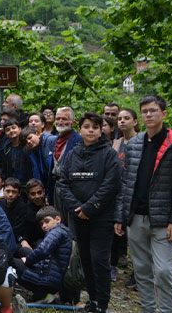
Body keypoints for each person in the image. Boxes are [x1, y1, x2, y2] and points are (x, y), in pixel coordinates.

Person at [115, 95, 172, 313]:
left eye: (153, 110)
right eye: (145, 111)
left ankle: (168, 309)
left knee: (163, 270)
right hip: (136, 218)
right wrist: (120, 217)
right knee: (141, 268)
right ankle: (148, 308)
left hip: (163, 220)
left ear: (164, 114)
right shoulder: (135, 144)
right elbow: (125, 183)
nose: (148, 115)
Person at [58, 112, 121, 313]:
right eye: (87, 126)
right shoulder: (72, 153)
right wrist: (76, 207)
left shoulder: (109, 153)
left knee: (99, 260)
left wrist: (89, 207)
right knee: (85, 259)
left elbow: (111, 185)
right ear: (80, 129)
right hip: (78, 216)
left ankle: (102, 304)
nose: (91, 130)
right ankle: (93, 301)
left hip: (101, 216)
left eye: (95, 126)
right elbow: (63, 183)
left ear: (101, 129)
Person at [16, 206, 73, 303]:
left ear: (58, 219)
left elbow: (43, 250)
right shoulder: (62, 231)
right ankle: (42, 294)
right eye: (42, 224)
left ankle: (41, 293)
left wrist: (28, 261)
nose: (44, 226)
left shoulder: (57, 231)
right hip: (52, 276)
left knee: (13, 262)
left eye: (47, 221)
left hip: (48, 281)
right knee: (24, 250)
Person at [111, 108, 139, 282]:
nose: (122, 121)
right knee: (116, 230)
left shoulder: (141, 141)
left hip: (134, 192)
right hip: (117, 191)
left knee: (136, 235)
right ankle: (112, 265)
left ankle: (138, 273)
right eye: (120, 118)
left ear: (135, 121)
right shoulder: (116, 142)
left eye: (126, 118)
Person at [45, 106, 81, 208]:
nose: (60, 121)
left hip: (72, 189)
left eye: (64, 119)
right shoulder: (54, 140)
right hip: (56, 186)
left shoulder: (79, 140)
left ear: (73, 123)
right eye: (58, 119)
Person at [0, 177, 27, 246]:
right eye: (8, 191)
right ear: (3, 191)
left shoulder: (22, 206)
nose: (10, 194)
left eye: (14, 192)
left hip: (16, 238)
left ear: (19, 193)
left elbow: (18, 228)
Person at [22, 178, 48, 248]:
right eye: (33, 194)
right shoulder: (28, 212)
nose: (37, 196)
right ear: (28, 195)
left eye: (39, 192)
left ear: (44, 192)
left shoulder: (52, 203)